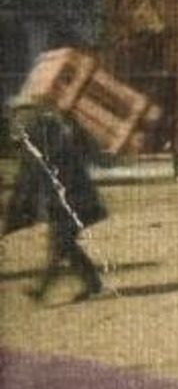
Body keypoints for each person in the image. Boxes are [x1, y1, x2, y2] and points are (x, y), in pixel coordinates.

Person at [3, 100, 108, 303]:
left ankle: (41, 291)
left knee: (61, 244)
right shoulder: (47, 136)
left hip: (71, 201)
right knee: (65, 245)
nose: (17, 122)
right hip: (68, 201)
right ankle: (92, 282)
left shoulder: (44, 140)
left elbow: (32, 178)